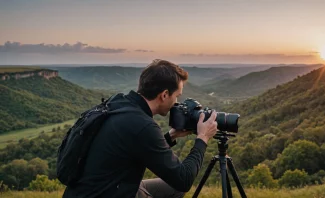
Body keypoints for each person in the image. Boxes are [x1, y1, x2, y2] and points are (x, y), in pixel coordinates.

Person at [63, 59, 218, 198]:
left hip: (92, 189)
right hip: (109, 192)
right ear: (164, 95)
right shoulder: (142, 125)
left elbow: (136, 145)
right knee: (178, 186)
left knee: (173, 189)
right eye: (176, 95)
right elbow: (183, 179)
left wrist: (170, 137)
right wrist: (202, 138)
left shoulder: (118, 104)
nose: (176, 101)